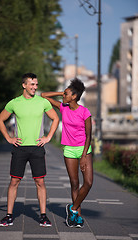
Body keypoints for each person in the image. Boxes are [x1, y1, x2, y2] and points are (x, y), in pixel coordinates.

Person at [0, 73, 59, 227]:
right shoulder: (14, 103)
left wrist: (48, 137)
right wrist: (9, 138)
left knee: (40, 182)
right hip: (20, 148)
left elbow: (55, 118)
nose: (35, 87)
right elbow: (0, 120)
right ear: (24, 85)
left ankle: (43, 216)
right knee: (14, 182)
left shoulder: (42, 102)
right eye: (32, 84)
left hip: (37, 147)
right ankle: (9, 215)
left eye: (36, 84)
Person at [41, 78, 93, 228]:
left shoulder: (85, 112)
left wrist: (83, 156)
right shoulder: (64, 107)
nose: (64, 95)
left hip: (84, 149)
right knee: (75, 183)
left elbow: (89, 135)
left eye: (67, 93)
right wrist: (61, 92)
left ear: (74, 96)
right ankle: (76, 217)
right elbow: (44, 95)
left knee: (88, 183)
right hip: (69, 149)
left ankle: (73, 208)